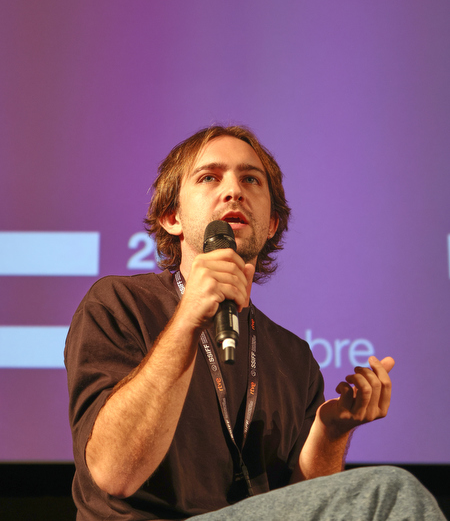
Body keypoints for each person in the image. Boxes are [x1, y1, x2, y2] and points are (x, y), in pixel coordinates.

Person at [65, 125, 445, 521]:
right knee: (390, 491)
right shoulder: (119, 304)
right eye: (209, 177)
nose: (234, 191)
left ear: (271, 224)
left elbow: (304, 507)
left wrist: (332, 433)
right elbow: (115, 474)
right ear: (171, 216)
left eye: (250, 179)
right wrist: (188, 319)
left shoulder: (294, 356)